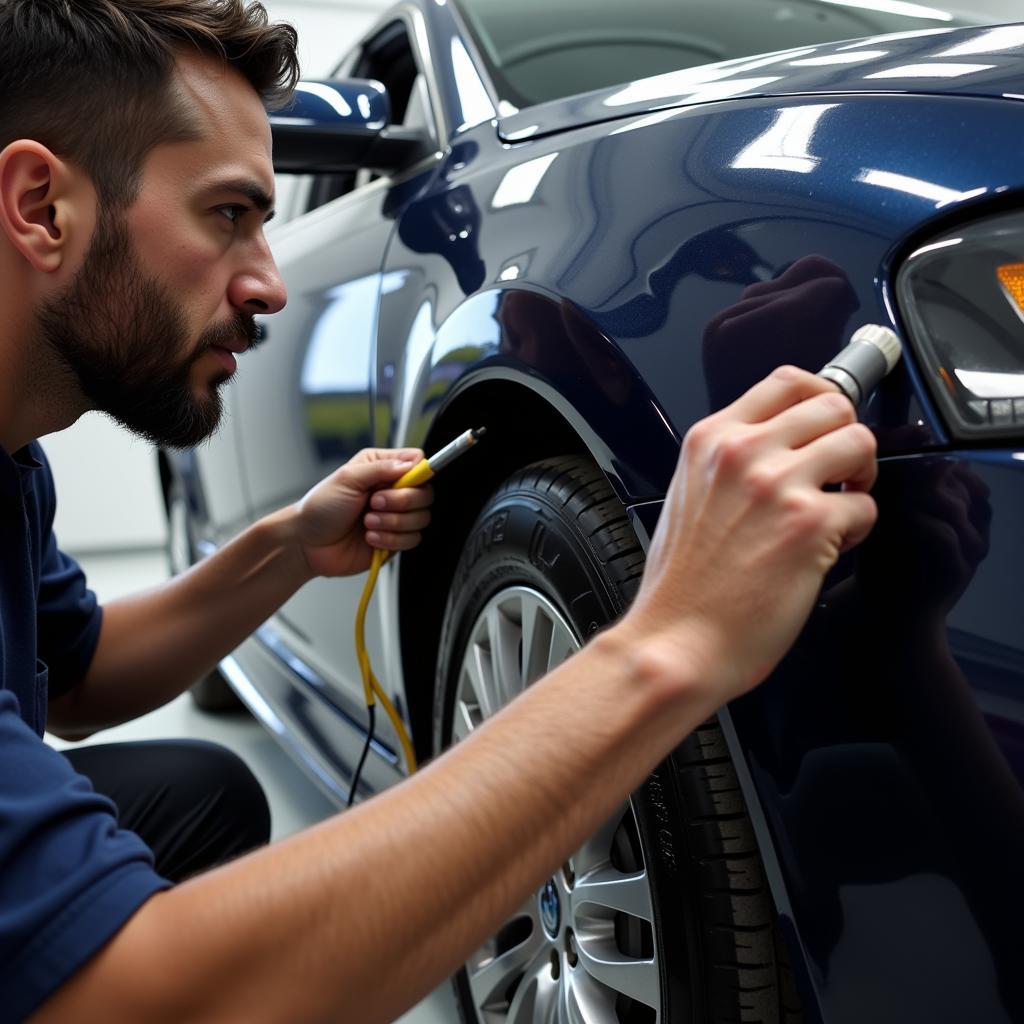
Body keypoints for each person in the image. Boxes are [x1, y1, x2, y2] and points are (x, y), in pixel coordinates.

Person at [0, 1, 878, 1021]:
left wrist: (286, 547)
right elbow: (139, 996)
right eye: (230, 213)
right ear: (40, 206)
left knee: (205, 795)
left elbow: (76, 675)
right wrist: (670, 640)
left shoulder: (16, 463)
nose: (270, 285)